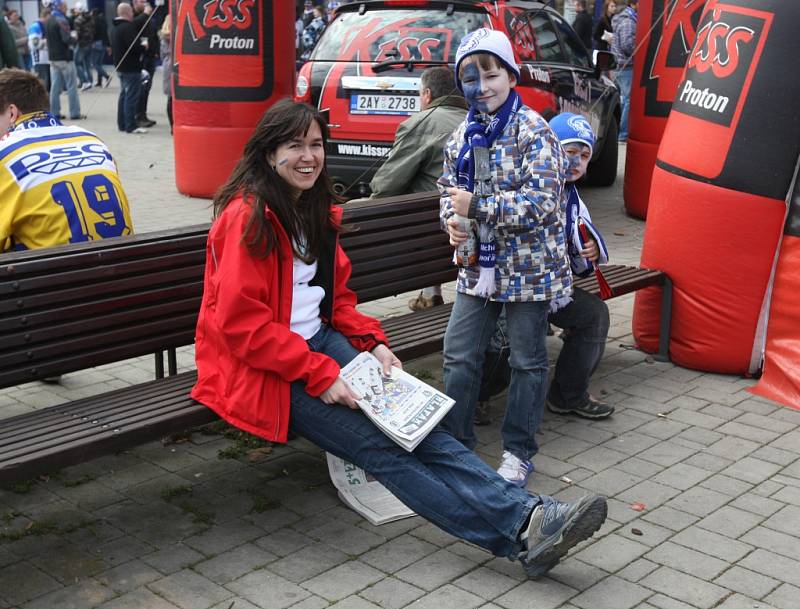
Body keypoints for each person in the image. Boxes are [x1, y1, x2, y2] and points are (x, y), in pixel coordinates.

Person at [189, 97, 608, 580]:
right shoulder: (248, 217)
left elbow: (335, 299)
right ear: (268, 154)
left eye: (315, 145)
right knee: (382, 448)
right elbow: (241, 326)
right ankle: (518, 532)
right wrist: (318, 373)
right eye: (293, 146)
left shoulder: (315, 210)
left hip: (317, 345)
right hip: (266, 368)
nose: (308, 156)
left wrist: (371, 342)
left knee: (421, 429)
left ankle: (532, 516)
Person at [439, 29, 571, 487]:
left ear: (511, 74)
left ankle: (518, 451)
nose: (483, 86)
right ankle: (455, 446)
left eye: (491, 74)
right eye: (471, 78)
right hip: (477, 266)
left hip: (531, 269)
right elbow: (447, 194)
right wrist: (452, 224)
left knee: (527, 360)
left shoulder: (534, 131)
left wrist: (475, 208)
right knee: (459, 355)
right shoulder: (460, 136)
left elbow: (541, 204)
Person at [367, 66, 468, 312]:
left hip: (433, 232)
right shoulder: (479, 120)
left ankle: (429, 291)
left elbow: (388, 183)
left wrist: (369, 205)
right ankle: (429, 292)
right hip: (466, 232)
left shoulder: (421, 122)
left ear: (427, 95)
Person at [0, 68, 133, 252]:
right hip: (125, 271)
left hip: (55, 277)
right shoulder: (91, 139)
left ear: (12, 113)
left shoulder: (4, 155)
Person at [543, 113, 614, 419]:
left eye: (584, 155)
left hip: (551, 290)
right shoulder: (534, 187)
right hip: (513, 292)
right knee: (513, 343)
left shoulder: (571, 197)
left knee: (593, 314)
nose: (576, 161)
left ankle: (567, 395)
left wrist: (592, 249)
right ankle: (478, 397)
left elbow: (581, 258)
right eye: (569, 151)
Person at [45, 0, 83, 120]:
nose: (66, 8)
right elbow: (66, 38)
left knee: (55, 87)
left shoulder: (48, 19)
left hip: (53, 57)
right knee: (71, 85)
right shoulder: (62, 20)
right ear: (60, 7)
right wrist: (75, 38)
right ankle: (74, 113)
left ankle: (54, 113)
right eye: (65, 6)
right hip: (64, 57)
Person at [111, 2, 145, 134]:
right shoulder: (127, 28)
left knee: (124, 95)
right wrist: (143, 47)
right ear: (126, 12)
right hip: (130, 67)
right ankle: (130, 125)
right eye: (131, 11)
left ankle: (122, 123)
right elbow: (135, 47)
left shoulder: (115, 28)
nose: (133, 13)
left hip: (120, 66)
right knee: (131, 96)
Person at [611, 0, 638, 142]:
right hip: (625, 66)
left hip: (619, 65)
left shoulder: (624, 19)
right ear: (634, 4)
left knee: (622, 100)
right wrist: (640, 48)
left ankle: (618, 131)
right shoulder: (628, 22)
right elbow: (628, 45)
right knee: (628, 100)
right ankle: (622, 134)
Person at [133, 0, 158, 128]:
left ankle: (143, 114)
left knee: (147, 88)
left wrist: (156, 51)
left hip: (150, 57)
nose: (145, 5)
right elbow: (135, 26)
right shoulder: (135, 17)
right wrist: (145, 15)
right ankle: (138, 115)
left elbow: (153, 36)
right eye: (142, 1)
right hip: (141, 59)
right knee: (141, 88)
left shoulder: (149, 20)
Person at [72, 2, 94, 90]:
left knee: (76, 63)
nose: (75, 11)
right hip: (90, 43)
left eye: (76, 9)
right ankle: (90, 81)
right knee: (87, 64)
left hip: (82, 44)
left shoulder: (77, 20)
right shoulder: (91, 18)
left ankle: (85, 81)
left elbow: (78, 34)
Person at [28, 6, 51, 92]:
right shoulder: (35, 26)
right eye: (49, 17)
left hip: (47, 59)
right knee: (43, 85)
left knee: (48, 85)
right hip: (39, 60)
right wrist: (47, 43)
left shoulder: (45, 26)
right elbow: (35, 44)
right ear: (45, 16)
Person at [90, 8, 110, 87]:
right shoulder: (104, 22)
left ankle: (107, 76)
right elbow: (106, 34)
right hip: (104, 43)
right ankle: (99, 81)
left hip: (96, 43)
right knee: (99, 64)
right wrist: (108, 45)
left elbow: (93, 33)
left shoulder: (94, 21)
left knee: (95, 64)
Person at [159, 17, 172, 132]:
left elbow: (162, 54)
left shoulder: (164, 37)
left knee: (170, 97)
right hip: (179, 64)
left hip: (168, 65)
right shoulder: (178, 34)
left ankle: (172, 126)